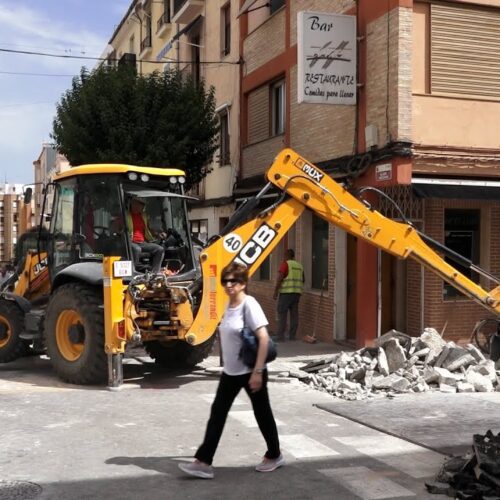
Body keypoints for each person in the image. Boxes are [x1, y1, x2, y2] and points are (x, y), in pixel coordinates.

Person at [178, 263, 284, 479]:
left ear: (243, 283)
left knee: (262, 414)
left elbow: (263, 338)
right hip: (231, 373)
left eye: (233, 281)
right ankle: (203, 462)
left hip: (251, 371)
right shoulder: (227, 305)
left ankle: (274, 455)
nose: (228, 285)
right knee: (217, 414)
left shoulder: (249, 305)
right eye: (225, 281)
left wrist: (257, 371)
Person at [126, 197, 165, 273]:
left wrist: (158, 234)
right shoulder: (125, 215)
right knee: (137, 249)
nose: (138, 206)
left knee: (159, 249)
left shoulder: (143, 216)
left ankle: (154, 273)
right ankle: (134, 272)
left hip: (142, 243)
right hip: (130, 242)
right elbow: (115, 228)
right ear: (132, 203)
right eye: (136, 203)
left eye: (141, 205)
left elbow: (148, 229)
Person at [273, 249, 304, 341]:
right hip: (296, 294)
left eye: (284, 255)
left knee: (282, 314)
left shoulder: (285, 264)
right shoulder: (299, 266)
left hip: (286, 293)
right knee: (294, 315)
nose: (283, 257)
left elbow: (280, 278)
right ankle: (292, 336)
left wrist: (275, 292)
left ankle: (280, 337)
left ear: (287, 255)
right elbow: (303, 279)